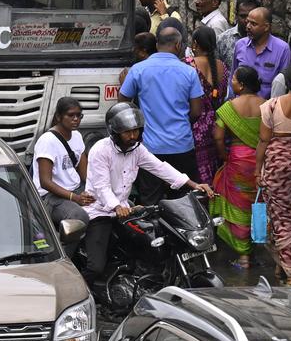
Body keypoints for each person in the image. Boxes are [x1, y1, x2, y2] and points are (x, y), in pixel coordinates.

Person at [83, 104, 213, 292]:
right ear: (114, 132)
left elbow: (160, 167)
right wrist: (116, 206)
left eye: (136, 131)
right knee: (96, 266)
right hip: (100, 211)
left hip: (126, 211)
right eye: (127, 132)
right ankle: (83, 293)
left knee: (153, 243)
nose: (133, 136)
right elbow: (101, 186)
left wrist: (193, 184)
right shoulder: (100, 150)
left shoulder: (137, 150)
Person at [118, 27, 205, 205]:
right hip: (182, 146)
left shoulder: (138, 70)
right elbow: (196, 112)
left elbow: (123, 103)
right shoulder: (189, 72)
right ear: (179, 45)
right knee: (184, 201)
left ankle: (154, 233)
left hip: (150, 148)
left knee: (150, 201)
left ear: (157, 44)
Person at [257, 63, 291, 286]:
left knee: (281, 218)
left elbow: (263, 140)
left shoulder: (271, 106)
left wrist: (256, 170)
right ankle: (284, 264)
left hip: (276, 169)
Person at [210, 66, 264, 269]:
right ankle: (256, 247)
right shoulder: (267, 105)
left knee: (238, 206)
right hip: (260, 162)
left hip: (238, 161)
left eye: (233, 79)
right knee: (257, 204)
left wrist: (225, 157)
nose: (231, 82)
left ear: (241, 84)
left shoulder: (228, 108)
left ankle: (243, 256)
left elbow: (217, 137)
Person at [32, 97, 93, 238]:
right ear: (59, 117)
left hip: (76, 189)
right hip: (51, 197)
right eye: (71, 115)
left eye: (79, 115)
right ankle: (64, 254)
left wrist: (91, 192)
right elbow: (45, 182)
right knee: (78, 216)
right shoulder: (47, 141)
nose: (76, 119)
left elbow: (85, 174)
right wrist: (75, 198)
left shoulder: (77, 136)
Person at [188, 26, 226, 185]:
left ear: (195, 44)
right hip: (215, 124)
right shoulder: (221, 66)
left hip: (195, 125)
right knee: (211, 165)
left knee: (195, 168)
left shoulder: (189, 64)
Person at [233, 7, 291, 98]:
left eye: (253, 24)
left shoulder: (283, 49)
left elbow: (284, 84)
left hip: (267, 109)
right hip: (240, 108)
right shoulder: (240, 45)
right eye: (247, 22)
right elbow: (233, 78)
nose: (248, 26)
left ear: (266, 27)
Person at [218, 0, 259, 73]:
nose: (247, 20)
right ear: (236, 15)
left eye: (251, 16)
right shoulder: (223, 40)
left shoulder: (265, 41)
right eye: (243, 16)